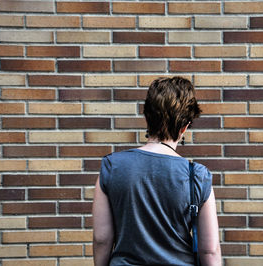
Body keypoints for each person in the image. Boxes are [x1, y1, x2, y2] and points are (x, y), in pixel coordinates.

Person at [92, 76, 222, 266]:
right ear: (184, 127)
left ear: (147, 117)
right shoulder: (197, 176)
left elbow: (102, 239)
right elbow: (209, 250)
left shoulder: (112, 167)